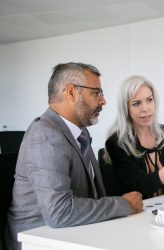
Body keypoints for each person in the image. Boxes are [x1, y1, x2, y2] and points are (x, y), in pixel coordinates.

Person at [5, 63, 143, 250]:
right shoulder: (44, 135)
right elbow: (59, 212)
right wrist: (123, 205)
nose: (103, 101)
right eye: (97, 93)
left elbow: (92, 196)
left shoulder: (80, 134)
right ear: (71, 92)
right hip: (39, 241)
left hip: (73, 234)